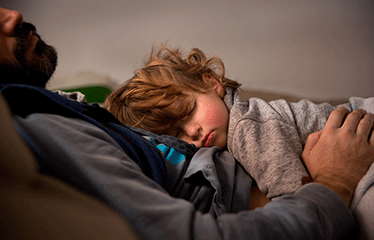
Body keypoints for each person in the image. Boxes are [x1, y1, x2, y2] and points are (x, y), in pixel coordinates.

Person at [1, 7, 374, 239]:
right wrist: (333, 184)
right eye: (177, 131)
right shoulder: (40, 127)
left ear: (211, 83)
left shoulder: (62, 108)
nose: (12, 14)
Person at [105, 44, 374, 202]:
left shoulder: (246, 129)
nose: (192, 132)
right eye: (176, 133)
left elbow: (293, 195)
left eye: (189, 112)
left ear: (212, 83)